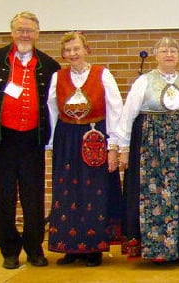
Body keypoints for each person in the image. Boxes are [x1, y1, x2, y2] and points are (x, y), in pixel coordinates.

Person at [0, 11, 60, 269]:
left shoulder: (49, 65)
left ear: (37, 34)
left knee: (33, 197)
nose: (25, 35)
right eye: (20, 30)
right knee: (4, 197)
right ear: (12, 32)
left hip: (32, 141)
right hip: (1, 140)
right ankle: (9, 251)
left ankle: (34, 249)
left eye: (29, 30)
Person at [118, 37, 179, 263]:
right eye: (164, 50)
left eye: (173, 50)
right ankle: (156, 249)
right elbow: (128, 115)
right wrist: (123, 147)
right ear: (156, 55)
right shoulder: (144, 81)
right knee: (153, 195)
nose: (169, 54)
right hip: (151, 149)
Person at [45, 31, 124, 267]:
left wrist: (113, 145)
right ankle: (70, 246)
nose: (72, 54)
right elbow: (51, 110)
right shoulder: (58, 77)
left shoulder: (102, 74)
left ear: (86, 49)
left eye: (76, 48)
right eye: (68, 50)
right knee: (67, 192)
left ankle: (93, 247)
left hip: (95, 138)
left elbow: (115, 110)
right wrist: (51, 143)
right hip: (67, 139)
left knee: (94, 192)